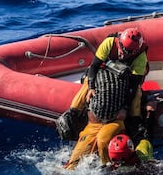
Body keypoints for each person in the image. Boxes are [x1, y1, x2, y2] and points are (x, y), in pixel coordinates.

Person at [57, 27, 153, 162]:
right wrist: (91, 87)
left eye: (129, 52)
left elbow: (132, 87)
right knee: (86, 81)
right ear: (119, 42)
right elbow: (94, 67)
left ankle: (135, 124)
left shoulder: (140, 57)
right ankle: (73, 112)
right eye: (122, 50)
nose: (123, 55)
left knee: (136, 92)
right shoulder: (109, 43)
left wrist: (124, 108)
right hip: (100, 85)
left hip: (123, 92)